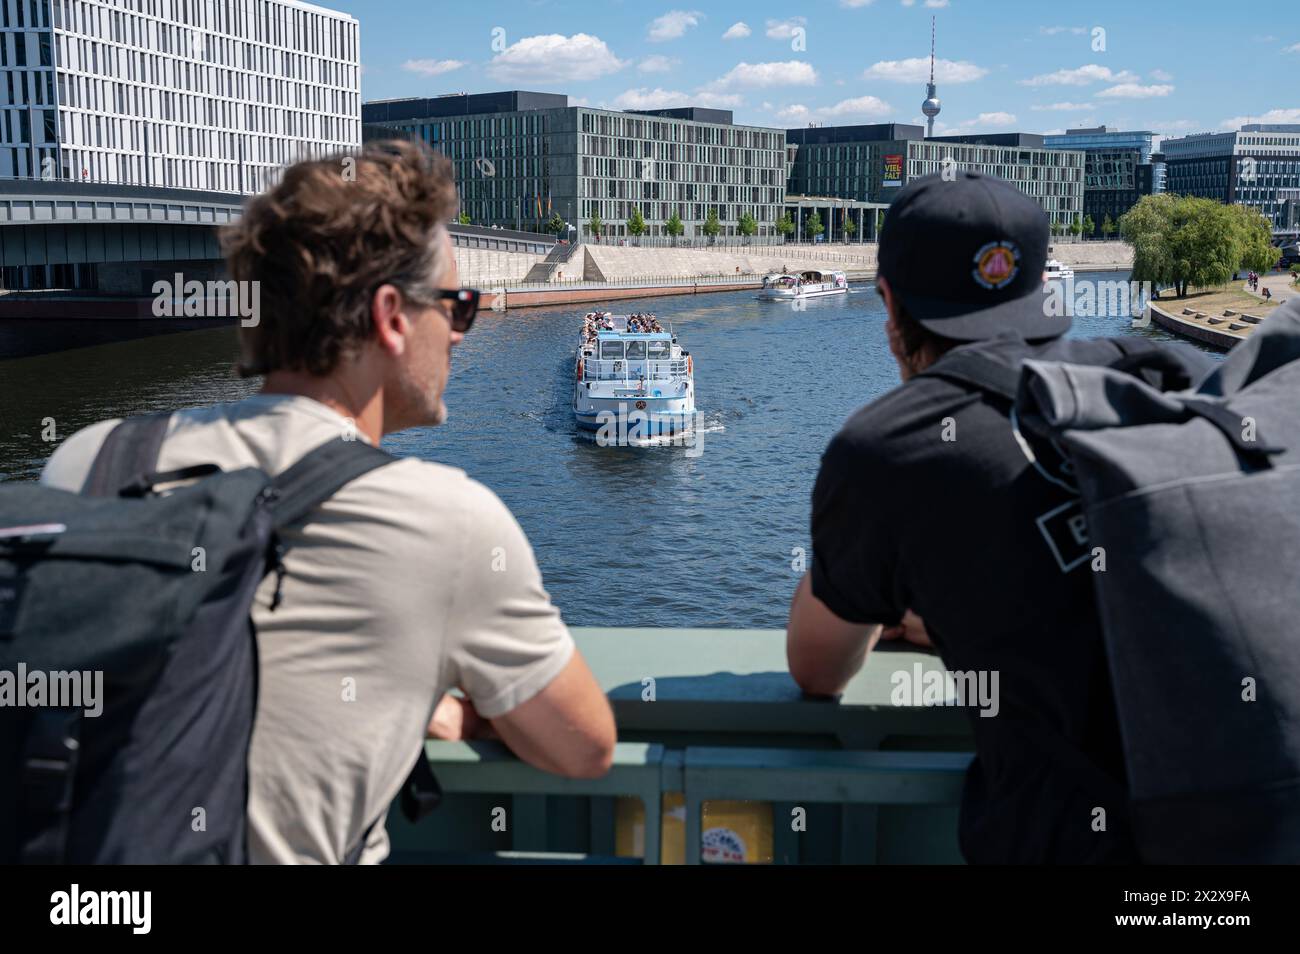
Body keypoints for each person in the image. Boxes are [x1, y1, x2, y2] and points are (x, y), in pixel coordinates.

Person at [40, 141, 616, 864]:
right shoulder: (446, 518)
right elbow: (585, 747)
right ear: (391, 317)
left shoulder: (90, 460)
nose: (461, 335)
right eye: (458, 306)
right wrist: (423, 698)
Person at [785, 171, 1213, 864]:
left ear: (890, 305)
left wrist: (958, 606)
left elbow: (819, 668)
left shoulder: (890, 446)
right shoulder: (1166, 375)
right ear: (1043, 286)